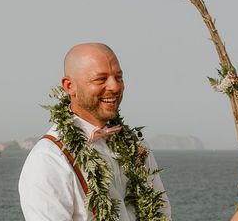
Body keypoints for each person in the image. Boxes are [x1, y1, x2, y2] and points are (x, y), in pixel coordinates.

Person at [18, 42, 172, 221]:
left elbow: (162, 212)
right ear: (69, 86)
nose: (114, 87)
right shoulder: (49, 159)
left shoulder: (137, 147)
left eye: (119, 77)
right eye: (101, 79)